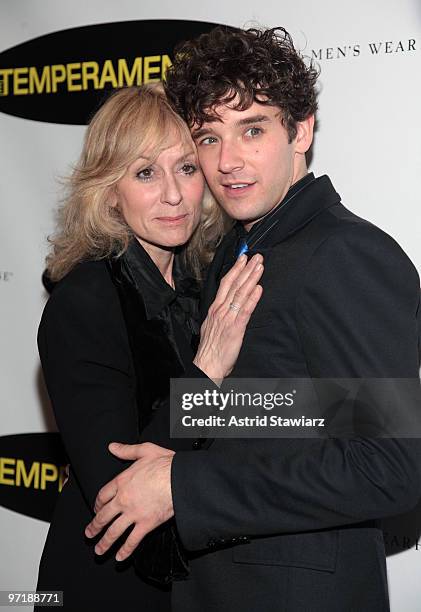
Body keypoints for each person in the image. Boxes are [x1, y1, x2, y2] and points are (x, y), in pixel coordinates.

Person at [85, 27, 421, 611]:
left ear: (303, 129)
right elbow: (292, 409)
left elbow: (388, 465)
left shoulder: (345, 254)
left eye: (253, 129)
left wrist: (183, 488)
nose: (227, 161)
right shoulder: (239, 251)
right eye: (208, 137)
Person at [35, 83, 264, 611]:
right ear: (108, 190)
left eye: (186, 168)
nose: (173, 194)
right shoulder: (85, 301)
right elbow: (121, 496)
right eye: (145, 173)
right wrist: (205, 375)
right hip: (108, 588)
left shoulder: (204, 286)